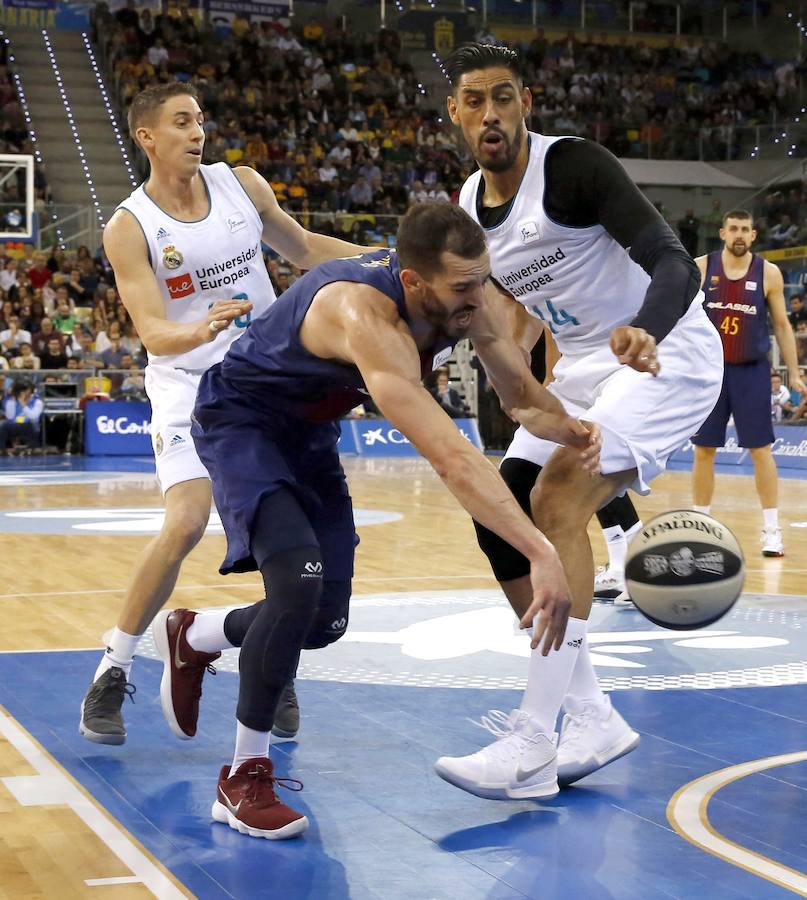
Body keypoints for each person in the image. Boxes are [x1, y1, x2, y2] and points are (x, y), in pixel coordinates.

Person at [154, 201, 599, 840]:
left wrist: (580, 431)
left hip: (310, 436)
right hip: (243, 422)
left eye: (483, 278)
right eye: (463, 286)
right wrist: (540, 551)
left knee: (324, 621)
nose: (480, 297)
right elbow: (451, 458)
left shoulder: (472, 302)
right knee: (297, 583)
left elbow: (525, 399)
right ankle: (244, 775)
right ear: (414, 283)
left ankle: (196, 636)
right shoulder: (363, 314)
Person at [435, 43, 723, 799]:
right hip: (585, 368)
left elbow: (672, 260)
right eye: (474, 101)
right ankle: (589, 714)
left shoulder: (572, 167)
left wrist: (648, 329)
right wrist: (518, 379)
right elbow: (513, 312)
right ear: (455, 114)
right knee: (496, 511)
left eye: (502, 97)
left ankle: (532, 741)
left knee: (557, 499)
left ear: (524, 100)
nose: (490, 114)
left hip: (665, 352)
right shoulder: (470, 204)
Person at [79, 81, 368, 748]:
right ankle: (114, 665)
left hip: (268, 382)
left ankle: (275, 651)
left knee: (287, 530)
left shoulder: (239, 183)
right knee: (184, 522)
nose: (196, 131)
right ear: (147, 136)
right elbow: (152, 332)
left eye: (200, 119)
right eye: (181, 122)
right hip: (188, 387)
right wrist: (202, 325)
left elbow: (299, 248)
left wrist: (391, 260)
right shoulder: (129, 227)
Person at [691, 209, 806, 556]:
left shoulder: (768, 273)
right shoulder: (700, 267)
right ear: (723, 233)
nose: (740, 234)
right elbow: (681, 316)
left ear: (754, 236)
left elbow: (783, 327)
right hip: (710, 371)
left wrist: (796, 372)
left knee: (761, 451)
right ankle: (700, 528)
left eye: (746, 229)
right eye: (734, 229)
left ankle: (772, 530)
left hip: (751, 371)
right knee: (704, 450)